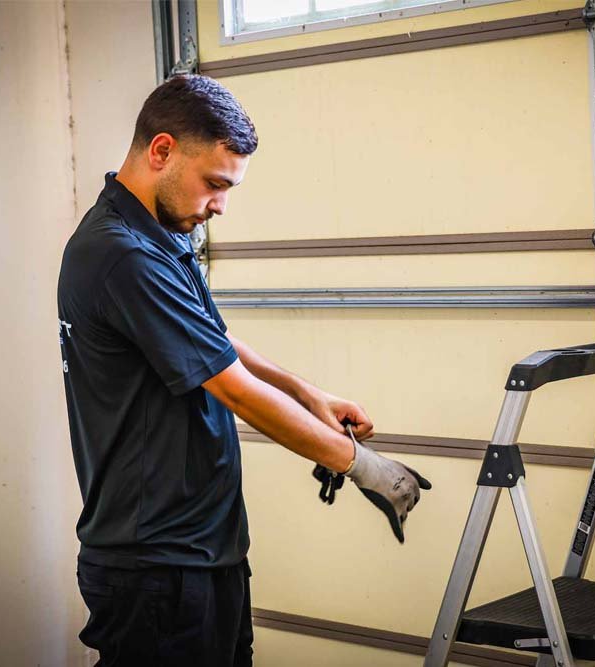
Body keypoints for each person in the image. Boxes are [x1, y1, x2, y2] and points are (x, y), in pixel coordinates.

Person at [57, 74, 432, 667]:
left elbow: (217, 342)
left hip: (206, 550)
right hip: (156, 564)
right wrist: (366, 467)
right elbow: (233, 388)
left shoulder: (161, 235)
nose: (220, 205)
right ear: (161, 151)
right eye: (214, 184)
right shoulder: (119, 253)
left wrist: (309, 394)